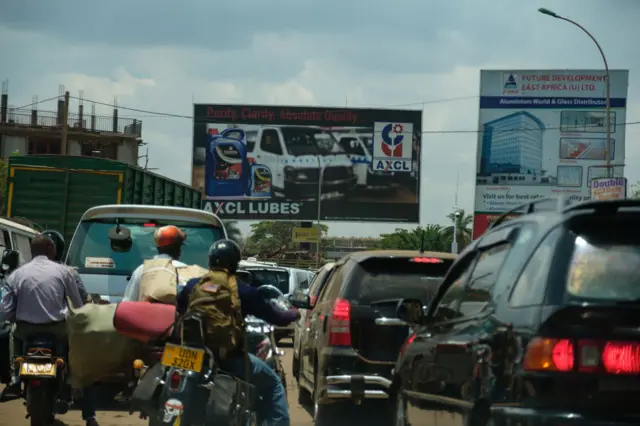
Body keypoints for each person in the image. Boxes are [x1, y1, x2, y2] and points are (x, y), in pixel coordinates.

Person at [176, 239, 298, 426]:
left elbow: (180, 310)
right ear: (234, 262)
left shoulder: (192, 285)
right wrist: (293, 313)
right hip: (226, 359)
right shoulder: (241, 290)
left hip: (191, 356)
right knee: (273, 385)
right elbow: (276, 317)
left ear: (210, 261)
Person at [0, 234, 100, 426]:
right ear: (50, 250)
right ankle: (76, 386)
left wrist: (17, 318)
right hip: (58, 330)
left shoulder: (18, 274)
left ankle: (14, 375)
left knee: (14, 333)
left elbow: (5, 310)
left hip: (26, 330)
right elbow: (78, 305)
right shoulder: (65, 272)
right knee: (79, 357)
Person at [123, 225, 187, 301]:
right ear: (178, 248)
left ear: (157, 248)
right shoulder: (184, 270)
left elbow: (129, 302)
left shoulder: (142, 270)